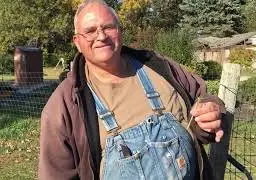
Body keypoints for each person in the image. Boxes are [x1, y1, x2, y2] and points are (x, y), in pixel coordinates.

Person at [38, 0, 225, 179]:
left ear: (120, 31)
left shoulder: (158, 67)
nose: (101, 36)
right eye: (90, 31)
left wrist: (210, 113)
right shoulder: (64, 106)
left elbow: (203, 99)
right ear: (77, 41)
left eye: (109, 27)